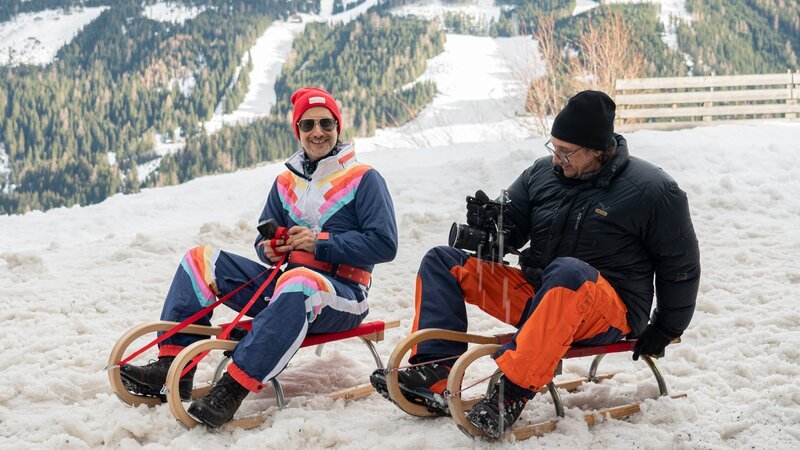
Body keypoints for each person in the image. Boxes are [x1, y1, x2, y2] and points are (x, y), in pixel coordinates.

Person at [371, 90, 700, 439]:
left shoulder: (653, 190)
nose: (556, 158)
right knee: (443, 261)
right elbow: (511, 227)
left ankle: (510, 391)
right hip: (543, 295)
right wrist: (491, 226)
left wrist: (666, 327)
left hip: (608, 311)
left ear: (598, 150)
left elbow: (680, 266)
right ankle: (434, 371)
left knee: (569, 272)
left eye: (566, 151)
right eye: (553, 147)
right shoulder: (542, 174)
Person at [121, 86, 398, 428]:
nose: (318, 132)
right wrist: (267, 249)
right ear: (297, 131)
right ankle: (173, 367)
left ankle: (232, 389)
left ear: (338, 127)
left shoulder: (364, 178)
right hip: (286, 289)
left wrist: (320, 243)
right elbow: (263, 237)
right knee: (199, 260)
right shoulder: (286, 181)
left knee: (299, 283)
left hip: (343, 295)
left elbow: (385, 244)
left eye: (326, 123)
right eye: (308, 125)